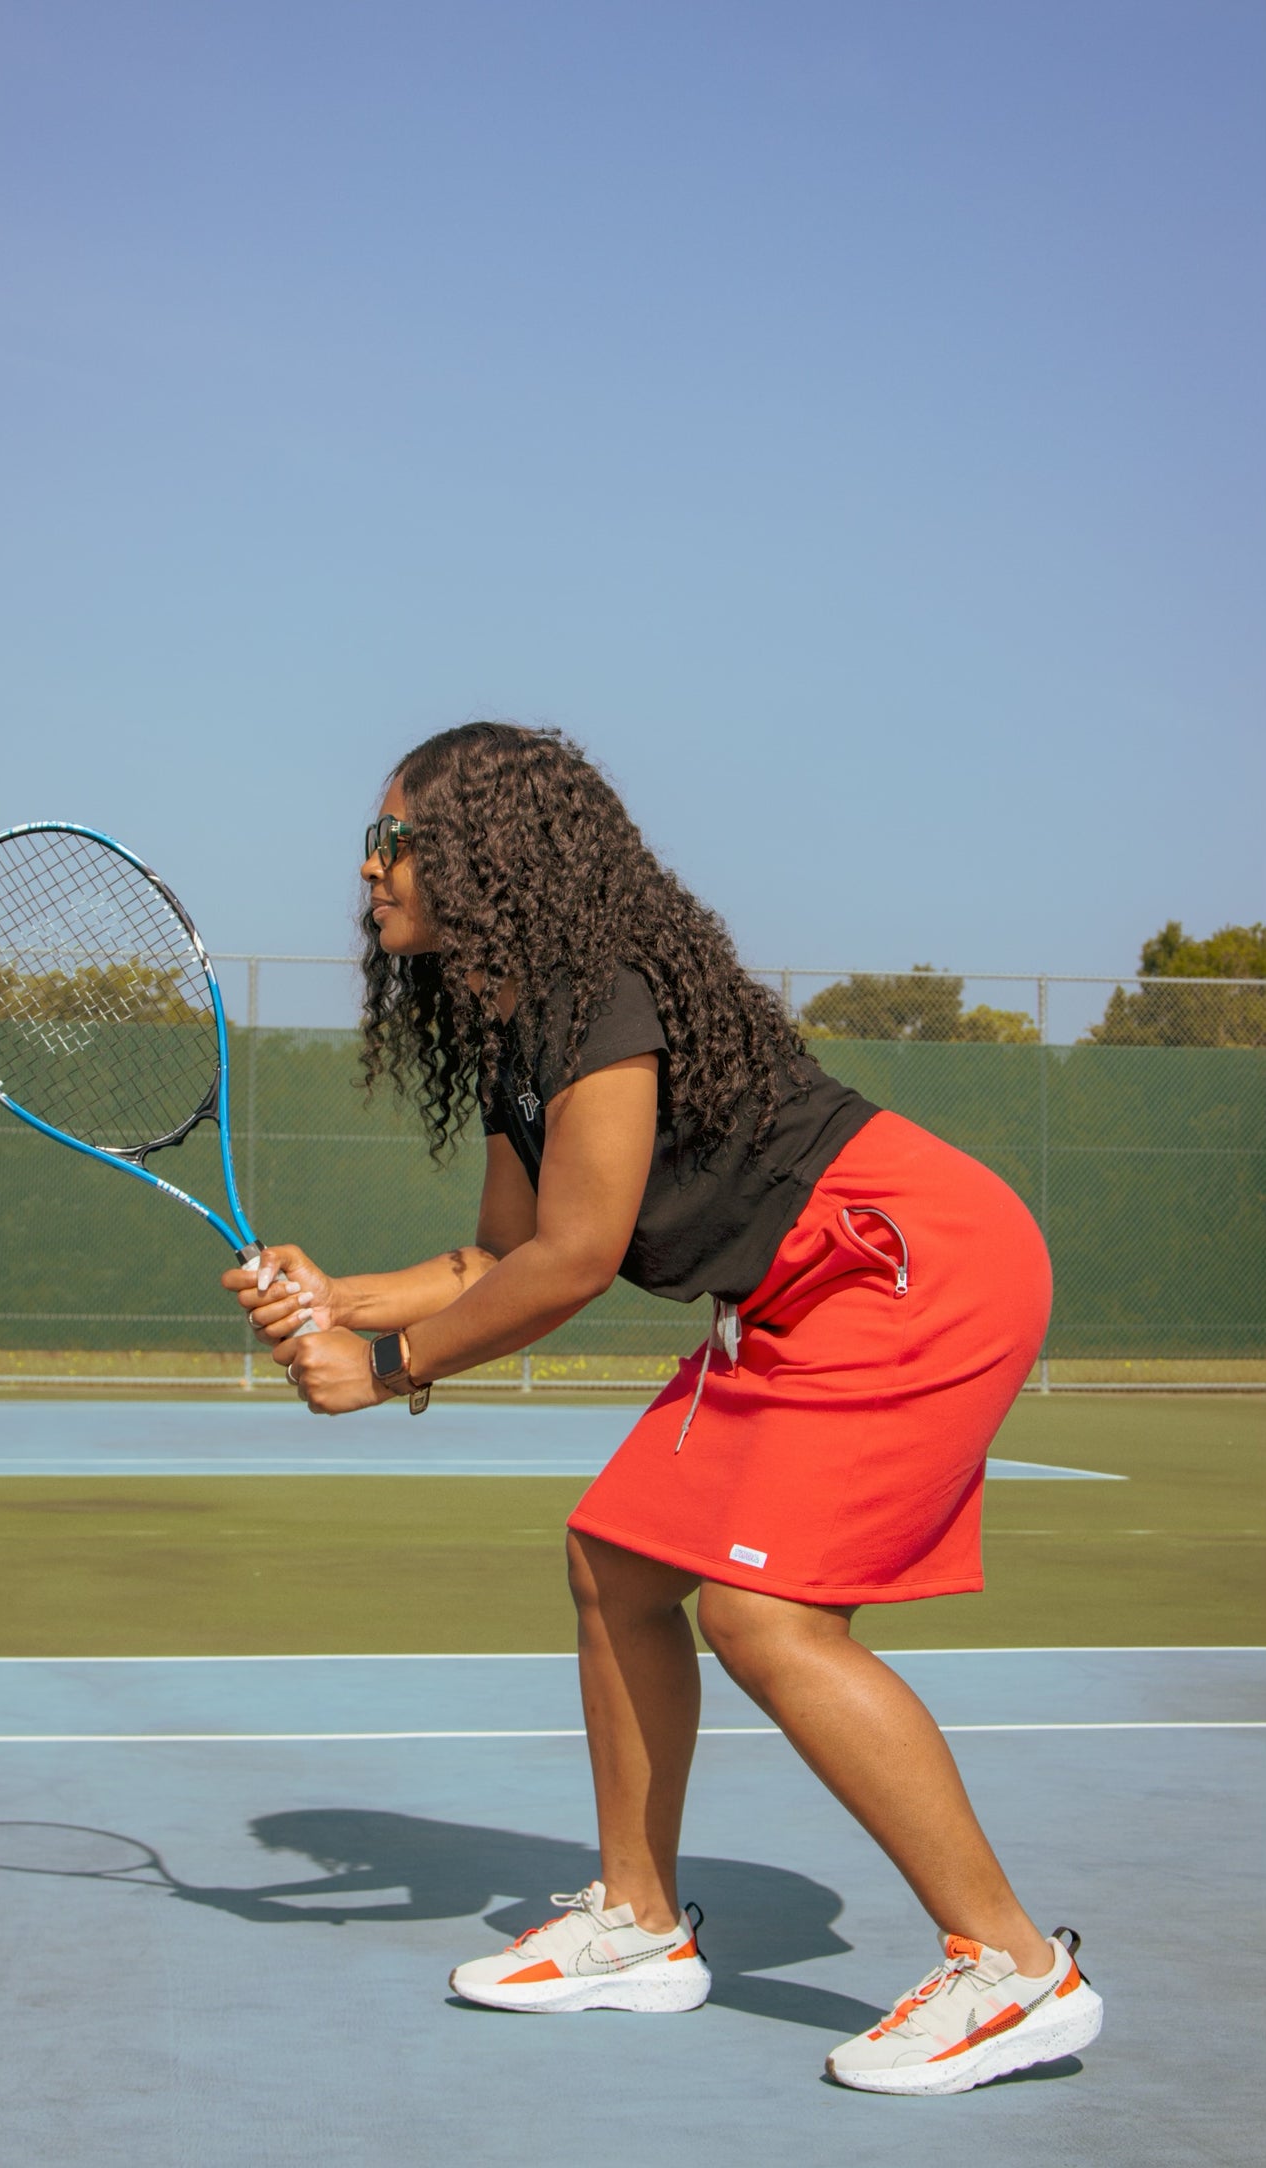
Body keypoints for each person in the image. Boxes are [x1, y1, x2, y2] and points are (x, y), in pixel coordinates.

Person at [223, 721, 1104, 2096]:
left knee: (764, 1616)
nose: (369, 867)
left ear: (484, 855)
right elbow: (493, 1257)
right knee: (615, 1561)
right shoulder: (515, 1016)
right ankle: (635, 1927)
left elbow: (575, 1260)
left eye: (394, 839)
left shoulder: (595, 991)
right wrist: (342, 1296)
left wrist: (393, 1371)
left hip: (907, 1259)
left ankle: (1013, 1969)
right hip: (791, 1294)